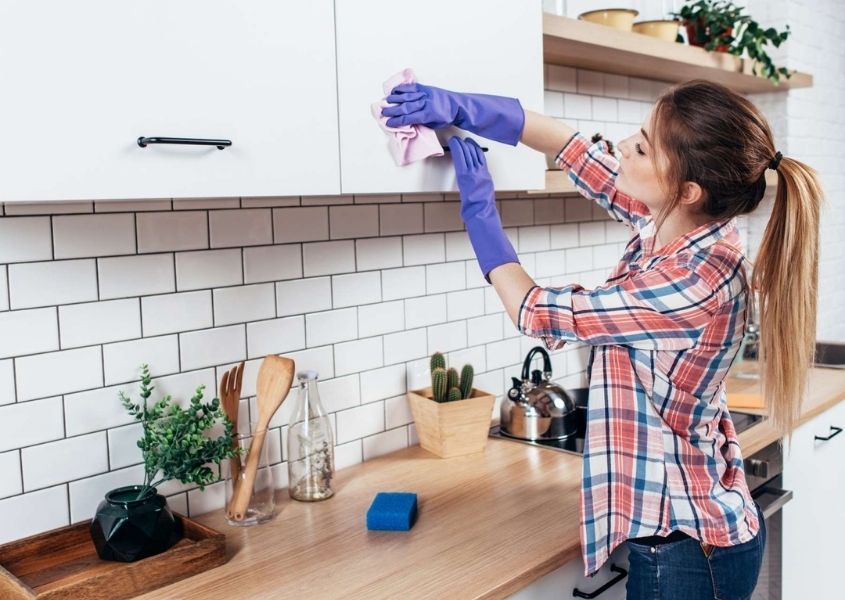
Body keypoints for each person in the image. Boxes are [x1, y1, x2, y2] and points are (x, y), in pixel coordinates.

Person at [382, 79, 822, 599]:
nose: (623, 147)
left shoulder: (692, 281)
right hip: (687, 532)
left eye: (641, 146)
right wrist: (461, 106)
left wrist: (479, 212)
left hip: (687, 549)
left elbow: (536, 311)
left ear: (687, 190)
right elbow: (571, 147)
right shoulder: (680, 223)